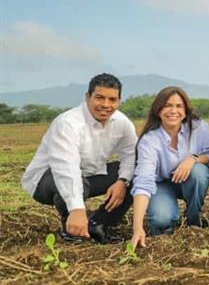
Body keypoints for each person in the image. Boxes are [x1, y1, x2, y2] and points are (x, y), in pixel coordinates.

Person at [21, 73, 137, 243]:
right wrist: (76, 209)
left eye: (112, 100)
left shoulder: (121, 122)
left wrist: (122, 181)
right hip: (46, 180)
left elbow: (130, 154)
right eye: (99, 98)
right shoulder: (68, 123)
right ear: (87, 97)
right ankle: (70, 226)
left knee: (136, 173)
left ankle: (99, 224)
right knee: (76, 182)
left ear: (119, 101)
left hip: (90, 175)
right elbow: (65, 168)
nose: (106, 105)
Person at [130, 87, 209, 247]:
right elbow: (143, 182)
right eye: (167, 105)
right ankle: (161, 237)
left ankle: (193, 221)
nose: (173, 111)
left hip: (188, 180)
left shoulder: (199, 128)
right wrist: (137, 227)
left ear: (186, 109)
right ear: (158, 109)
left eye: (179, 106)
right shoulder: (150, 140)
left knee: (199, 173)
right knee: (161, 218)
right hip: (161, 184)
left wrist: (193, 159)